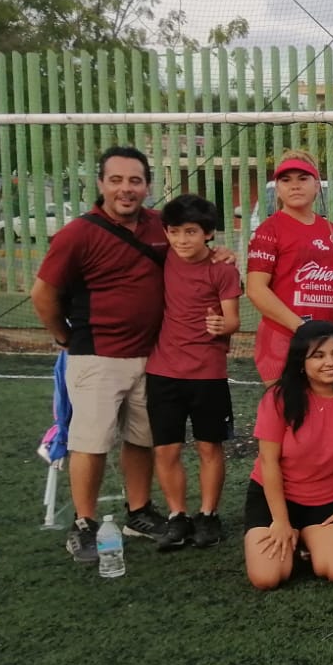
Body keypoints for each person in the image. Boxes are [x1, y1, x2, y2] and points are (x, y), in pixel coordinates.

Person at [33, 145, 175, 556]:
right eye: (116, 180)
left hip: (152, 355)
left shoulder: (160, 225)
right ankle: (85, 521)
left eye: (135, 180)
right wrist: (63, 337)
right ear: (100, 184)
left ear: (147, 186)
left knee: (141, 437)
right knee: (90, 443)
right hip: (96, 356)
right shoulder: (78, 233)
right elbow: (43, 293)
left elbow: (193, 249)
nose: (126, 189)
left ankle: (140, 511)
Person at [244, 321, 333, 590]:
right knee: (267, 578)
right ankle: (293, 539)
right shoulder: (278, 399)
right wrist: (281, 521)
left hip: (327, 499)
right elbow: (268, 461)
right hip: (275, 498)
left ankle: (309, 542)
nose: (330, 362)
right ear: (301, 362)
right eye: (318, 356)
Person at [146, 193, 241, 550]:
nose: (182, 240)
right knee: (166, 450)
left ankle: (208, 515)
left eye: (191, 232)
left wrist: (222, 326)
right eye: (175, 232)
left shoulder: (223, 268)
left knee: (208, 447)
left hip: (208, 373)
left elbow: (232, 320)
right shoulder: (164, 257)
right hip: (163, 372)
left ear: (209, 234)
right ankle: (177, 516)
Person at [245, 152, 333, 385]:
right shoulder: (269, 229)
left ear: (316, 185)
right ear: (278, 188)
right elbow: (256, 289)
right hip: (285, 340)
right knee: (291, 415)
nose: (295, 186)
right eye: (286, 180)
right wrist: (301, 328)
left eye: (302, 178)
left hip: (327, 342)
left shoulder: (329, 229)